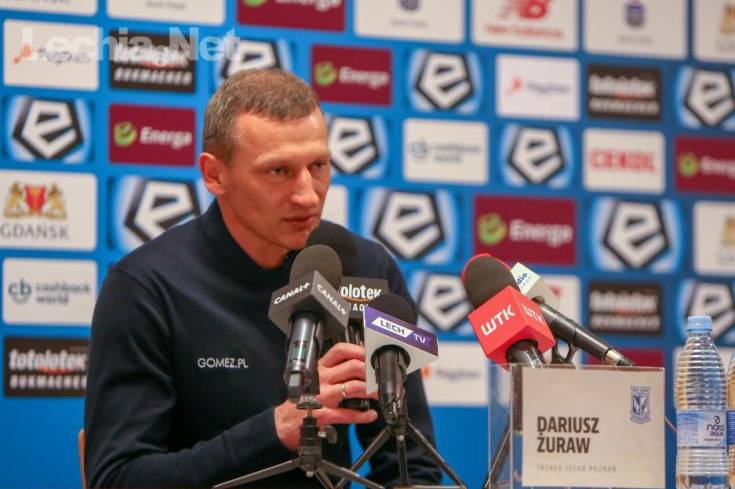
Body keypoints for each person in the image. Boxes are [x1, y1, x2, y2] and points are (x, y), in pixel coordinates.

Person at [84, 68, 442, 488]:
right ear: (214, 175)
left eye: (319, 165)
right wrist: (274, 430)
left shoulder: (366, 268)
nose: (307, 194)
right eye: (278, 171)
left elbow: (411, 466)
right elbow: (118, 478)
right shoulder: (146, 287)